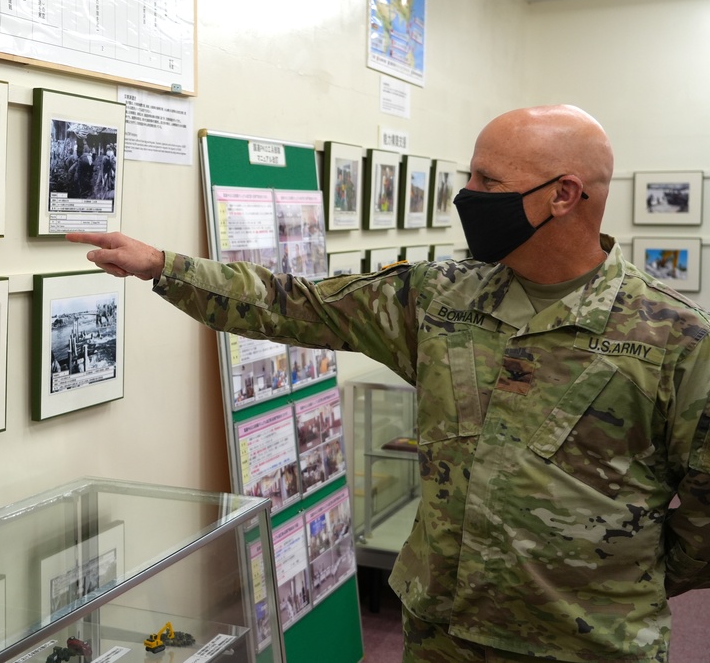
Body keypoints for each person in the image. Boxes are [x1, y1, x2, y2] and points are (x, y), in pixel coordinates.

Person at [68, 104, 710, 662]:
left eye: (488, 180)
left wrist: (616, 577)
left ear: (564, 195)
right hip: (443, 631)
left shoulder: (674, 337)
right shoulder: (441, 298)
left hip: (584, 644)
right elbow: (297, 303)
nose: (468, 192)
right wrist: (163, 267)